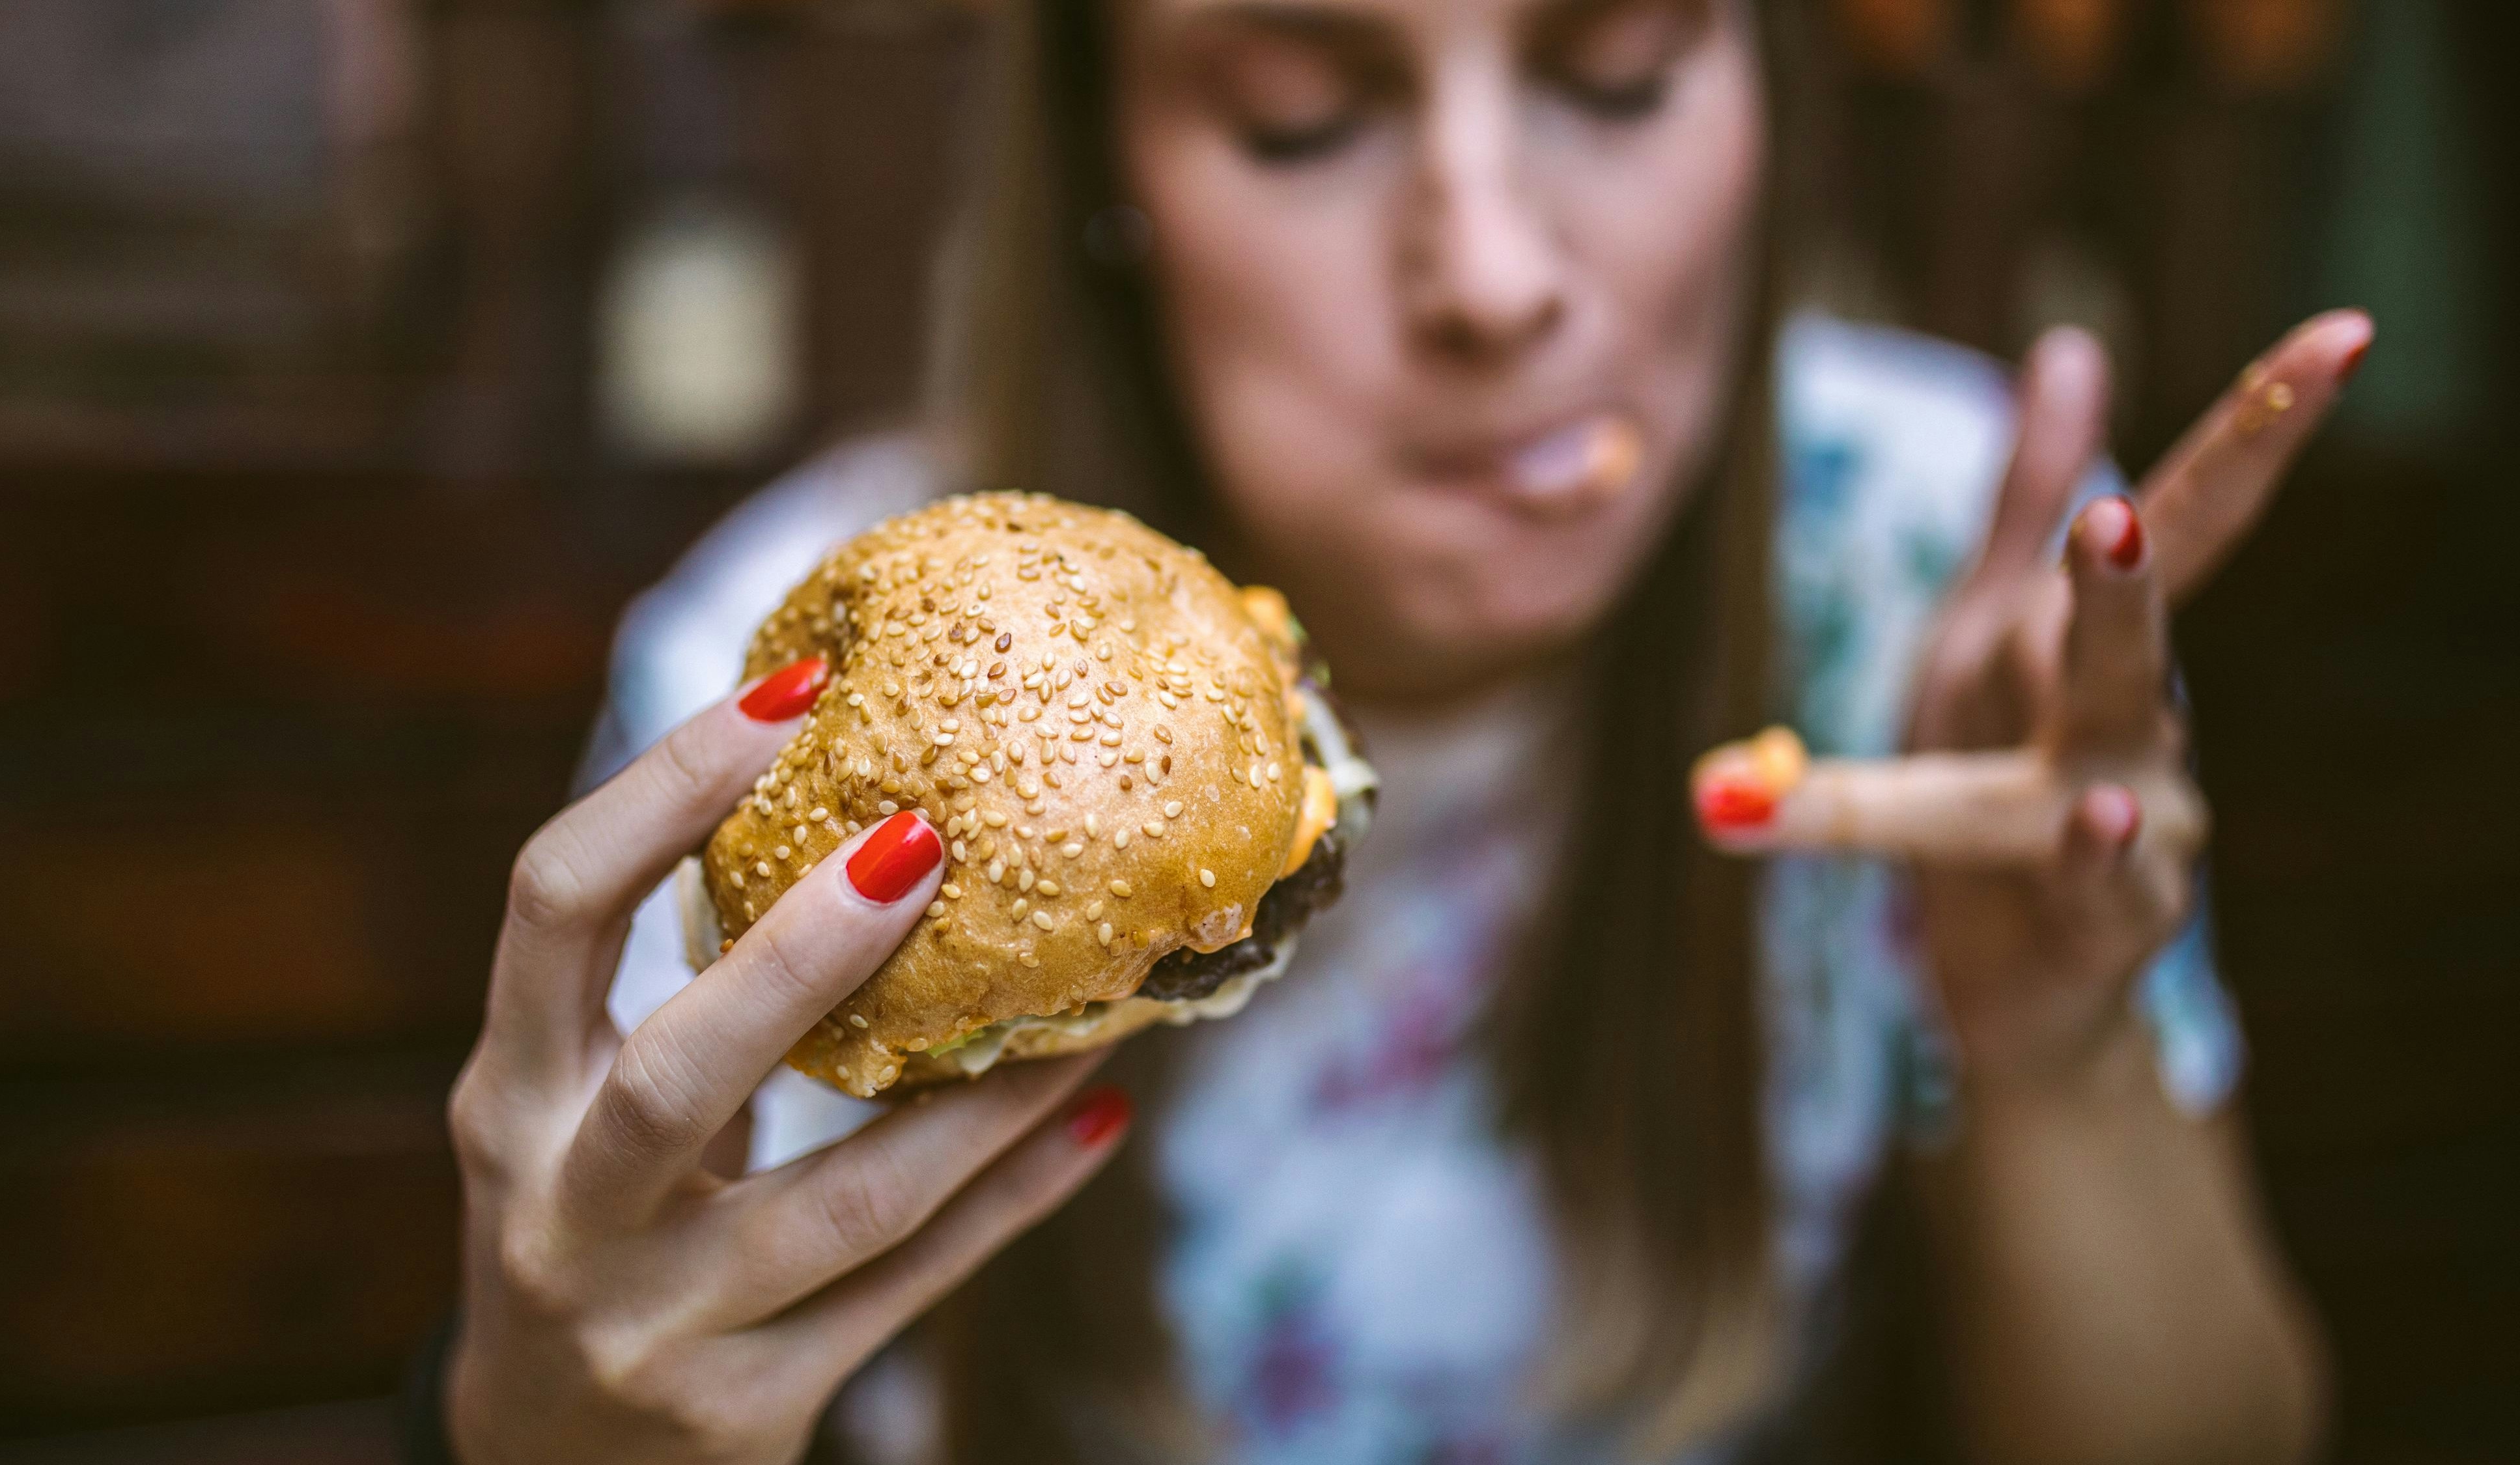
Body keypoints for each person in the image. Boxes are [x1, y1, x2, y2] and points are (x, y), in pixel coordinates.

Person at [421, 0, 2360, 1459]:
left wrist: (2060, 1059)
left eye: (1613, 74)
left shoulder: (1943, 571)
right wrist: (557, 1420)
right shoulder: (792, 717)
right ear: (1109, 165)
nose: (1499, 279)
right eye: (1305, 116)